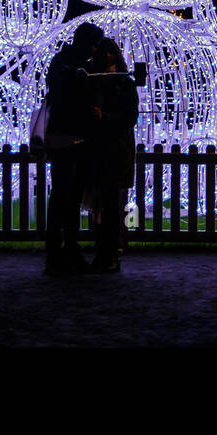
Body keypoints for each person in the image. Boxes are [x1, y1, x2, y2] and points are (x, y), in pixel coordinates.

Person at [43, 21, 103, 276]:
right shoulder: (65, 64)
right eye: (93, 44)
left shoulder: (80, 64)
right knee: (62, 196)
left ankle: (68, 248)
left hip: (76, 139)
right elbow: (59, 93)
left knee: (72, 197)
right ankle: (58, 252)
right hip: (66, 138)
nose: (94, 50)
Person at [87, 36, 140, 274]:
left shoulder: (124, 83)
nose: (106, 56)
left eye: (110, 52)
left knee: (113, 203)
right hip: (97, 150)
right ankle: (102, 249)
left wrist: (104, 118)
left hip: (117, 150)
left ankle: (112, 250)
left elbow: (130, 117)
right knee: (98, 203)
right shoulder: (92, 82)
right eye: (103, 52)